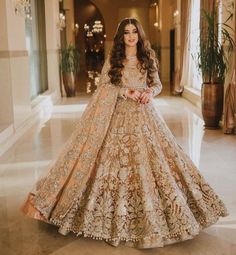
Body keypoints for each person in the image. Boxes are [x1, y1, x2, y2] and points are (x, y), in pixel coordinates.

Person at [21, 18, 228, 249]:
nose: (131, 36)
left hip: (145, 116)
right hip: (118, 117)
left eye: (134, 32)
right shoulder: (114, 59)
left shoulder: (147, 58)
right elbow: (104, 86)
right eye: (127, 33)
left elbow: (157, 84)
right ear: (121, 37)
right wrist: (126, 91)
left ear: (139, 35)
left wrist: (150, 92)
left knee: (155, 161)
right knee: (114, 163)